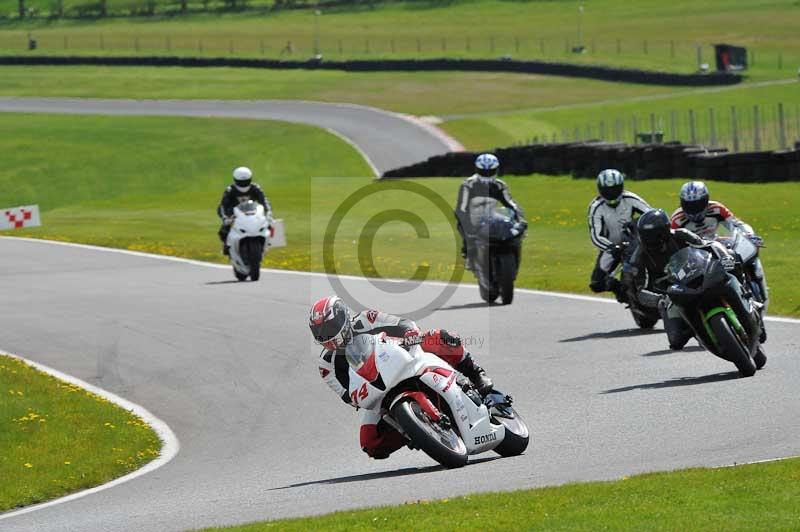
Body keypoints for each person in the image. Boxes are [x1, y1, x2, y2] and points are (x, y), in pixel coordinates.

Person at [309, 295, 493, 459]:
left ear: (343, 317)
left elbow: (402, 323)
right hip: (378, 389)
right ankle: (417, 430)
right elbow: (346, 394)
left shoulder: (366, 319)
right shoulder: (326, 365)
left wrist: (409, 334)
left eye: (330, 328)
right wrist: (356, 398)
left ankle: (476, 373)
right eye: (321, 333)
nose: (328, 336)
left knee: (440, 337)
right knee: (370, 443)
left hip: (404, 357)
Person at [623, 209, 759, 350]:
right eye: (646, 235)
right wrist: (659, 300)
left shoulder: (681, 234)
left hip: (699, 274)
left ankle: (747, 297)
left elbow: (707, 245)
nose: (650, 239)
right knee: (676, 341)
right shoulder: (639, 257)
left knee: (731, 266)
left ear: (664, 230)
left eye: (653, 235)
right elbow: (641, 291)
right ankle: (698, 330)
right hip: (673, 293)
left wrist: (724, 258)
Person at [670, 181, 768, 309]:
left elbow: (735, 224)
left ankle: (750, 292)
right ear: (682, 204)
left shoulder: (716, 208)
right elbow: (674, 244)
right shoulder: (677, 219)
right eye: (689, 205)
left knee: (742, 258)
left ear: (706, 201)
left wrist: (748, 235)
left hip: (717, 244)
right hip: (696, 254)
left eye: (698, 204)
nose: (694, 209)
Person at [587, 169, 651, 301]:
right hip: (611, 247)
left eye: (615, 189)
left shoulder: (630, 199)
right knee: (596, 284)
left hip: (635, 243)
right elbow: (595, 235)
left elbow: (650, 213)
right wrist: (611, 247)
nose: (611, 193)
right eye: (607, 190)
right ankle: (619, 288)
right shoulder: (596, 207)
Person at [455, 153, 524, 270]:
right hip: (471, 219)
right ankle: (470, 256)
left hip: (492, 218)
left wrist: (520, 219)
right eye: (483, 171)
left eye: (490, 170)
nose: (487, 174)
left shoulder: (500, 185)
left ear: (496, 169)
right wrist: (468, 225)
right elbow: (461, 207)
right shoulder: (468, 185)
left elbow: (511, 203)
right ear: (477, 169)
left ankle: (513, 259)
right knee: (469, 235)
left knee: (514, 235)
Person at [217, 167, 271, 255]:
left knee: (268, 224)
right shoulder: (230, 190)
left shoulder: (255, 188)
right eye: (241, 182)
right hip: (233, 213)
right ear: (235, 180)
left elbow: (264, 201)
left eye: (245, 181)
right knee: (224, 229)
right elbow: (223, 206)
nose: (243, 184)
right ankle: (226, 245)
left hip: (252, 211)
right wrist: (225, 218)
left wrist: (268, 213)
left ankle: (267, 241)